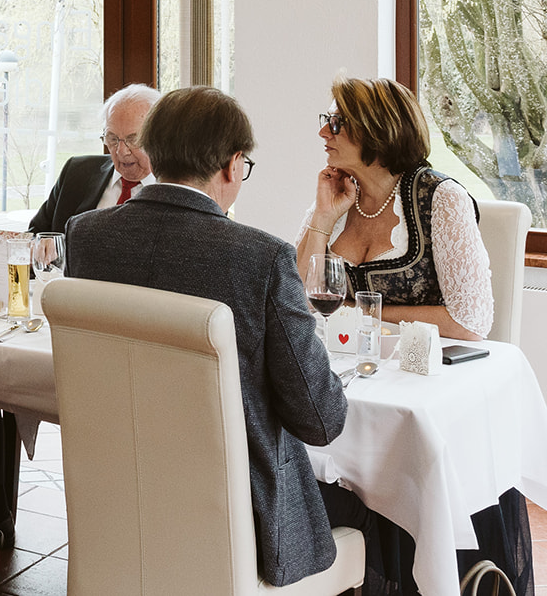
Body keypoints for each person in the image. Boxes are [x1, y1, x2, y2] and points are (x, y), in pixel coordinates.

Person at [65, 86, 348, 589]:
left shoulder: (86, 235)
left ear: (154, 153)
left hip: (121, 501)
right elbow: (321, 419)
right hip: (241, 526)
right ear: (232, 165)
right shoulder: (261, 258)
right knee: (367, 511)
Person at [297, 76, 492, 341]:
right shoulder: (338, 195)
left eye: (336, 123)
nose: (323, 132)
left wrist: (357, 310)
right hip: (345, 355)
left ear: (378, 131)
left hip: (422, 361)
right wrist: (323, 217)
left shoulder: (441, 198)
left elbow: (469, 323)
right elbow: (293, 298)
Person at [26, 83, 159, 234]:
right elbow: (35, 235)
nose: (121, 151)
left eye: (133, 139)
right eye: (113, 139)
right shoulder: (76, 172)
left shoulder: (174, 189)